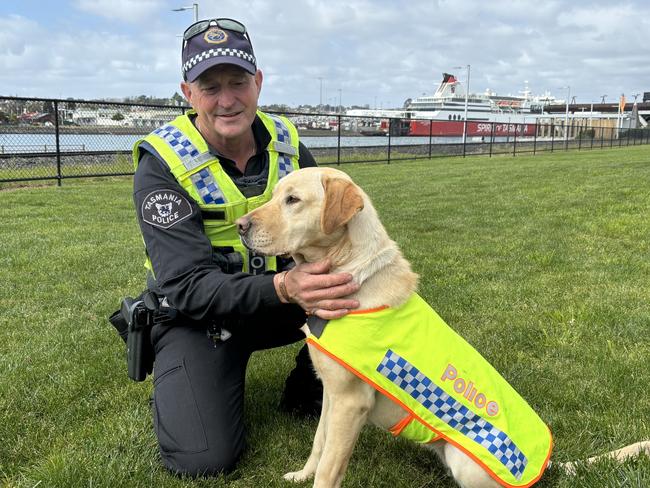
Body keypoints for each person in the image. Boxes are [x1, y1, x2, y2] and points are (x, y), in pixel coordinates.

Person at [131, 18, 359, 477]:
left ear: (258, 82)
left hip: (288, 300)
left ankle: (309, 386)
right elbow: (188, 286)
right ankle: (194, 376)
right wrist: (284, 286)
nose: (227, 99)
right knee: (203, 460)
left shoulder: (288, 144)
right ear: (187, 93)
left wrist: (315, 285)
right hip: (200, 316)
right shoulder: (162, 164)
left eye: (238, 82)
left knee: (363, 289)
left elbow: (336, 232)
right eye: (209, 87)